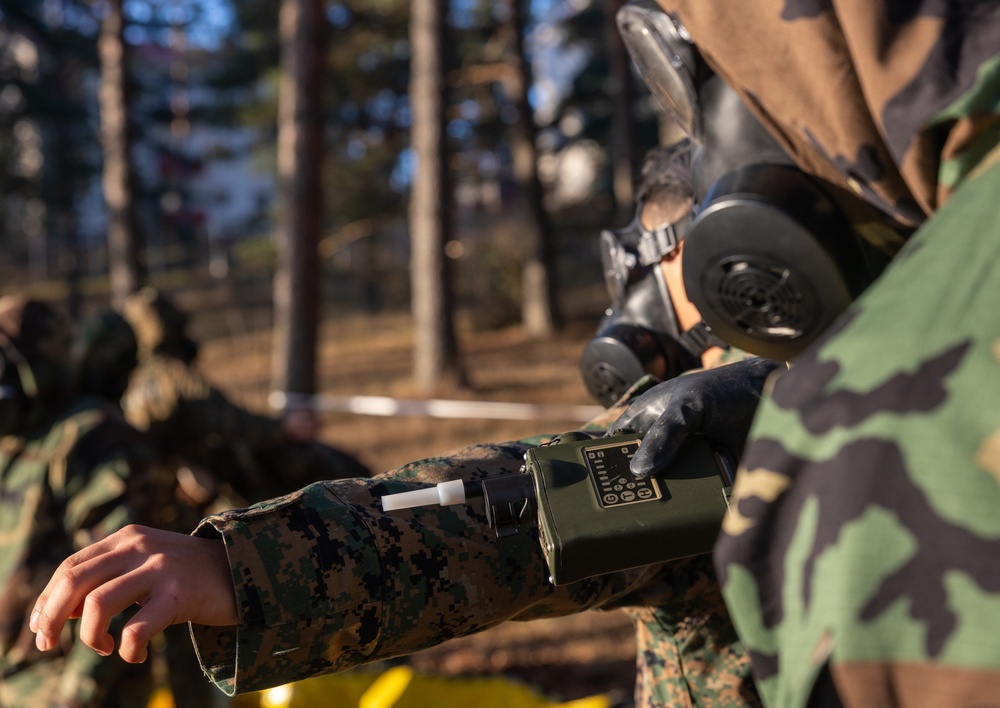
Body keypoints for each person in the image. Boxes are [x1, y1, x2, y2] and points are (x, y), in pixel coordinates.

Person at [30, 146, 771, 708]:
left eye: (665, 275)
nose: (642, 325)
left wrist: (243, 569)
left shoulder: (726, 438)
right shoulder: (820, 401)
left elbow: (511, 516)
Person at [0, 296, 155, 708]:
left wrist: (74, 697)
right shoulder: (11, 436)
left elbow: (121, 579)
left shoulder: (89, 435)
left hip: (63, 687)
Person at [120, 286, 370, 519]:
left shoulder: (136, 379)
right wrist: (284, 428)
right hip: (206, 489)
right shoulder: (172, 375)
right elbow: (227, 419)